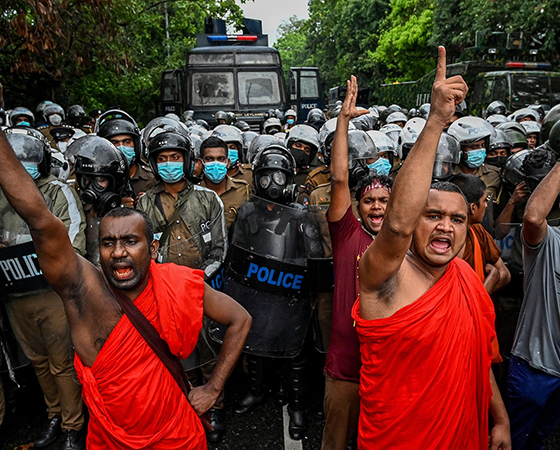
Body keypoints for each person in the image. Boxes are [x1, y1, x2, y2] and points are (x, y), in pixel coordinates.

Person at [0, 92, 251, 448]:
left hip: (176, 435)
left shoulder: (176, 283)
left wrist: (212, 388)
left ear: (153, 249)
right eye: (108, 243)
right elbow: (40, 219)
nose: (118, 253)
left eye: (130, 242)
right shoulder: (83, 291)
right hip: (110, 439)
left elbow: (240, 319)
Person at [353, 48, 511, 450]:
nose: (445, 226)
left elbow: (477, 357)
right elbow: (397, 225)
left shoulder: (466, 279)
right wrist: (437, 121)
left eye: (456, 219)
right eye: (433, 215)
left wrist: (500, 419)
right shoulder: (384, 277)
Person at [0, 127, 87, 449]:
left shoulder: (56, 192)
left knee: (62, 361)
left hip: (53, 294)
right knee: (38, 360)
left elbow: (74, 241)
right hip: (15, 293)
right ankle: (54, 414)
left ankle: (72, 424)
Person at [321, 76, 393, 450]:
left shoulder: (404, 242)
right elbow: (339, 179)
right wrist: (343, 122)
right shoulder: (347, 234)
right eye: (369, 201)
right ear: (358, 207)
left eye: (384, 200)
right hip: (346, 365)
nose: (377, 206)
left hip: (390, 367)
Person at [506, 148, 560, 449]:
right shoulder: (550, 242)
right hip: (534, 367)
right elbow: (534, 217)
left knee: (540, 438)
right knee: (514, 439)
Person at [96, 109, 156, 206]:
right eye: (114, 143)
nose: (121, 147)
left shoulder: (152, 178)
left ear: (136, 145)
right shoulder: (97, 181)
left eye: (127, 142)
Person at [199, 136, 249, 229]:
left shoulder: (242, 189)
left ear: (228, 162)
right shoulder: (194, 192)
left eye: (220, 159)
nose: (215, 164)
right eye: (209, 159)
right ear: (201, 163)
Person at [448, 115, 502, 199]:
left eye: (483, 145)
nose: (480, 150)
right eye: (474, 147)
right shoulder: (448, 174)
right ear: (459, 149)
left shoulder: (494, 174)